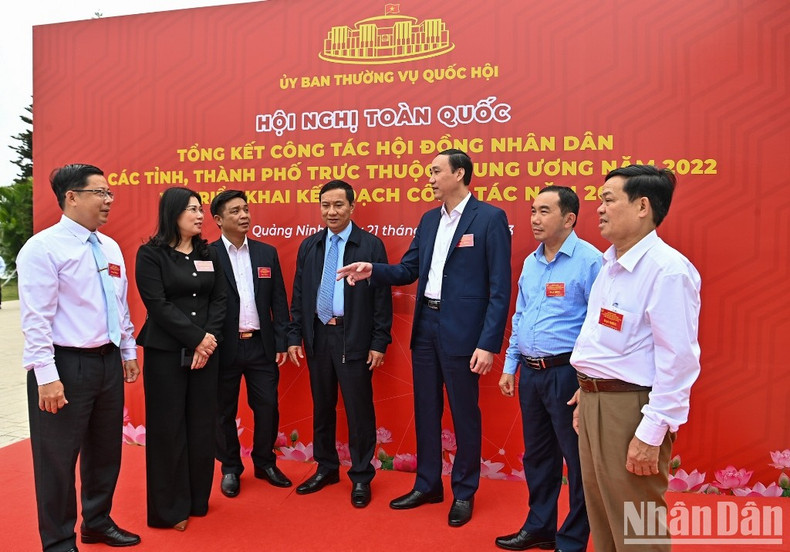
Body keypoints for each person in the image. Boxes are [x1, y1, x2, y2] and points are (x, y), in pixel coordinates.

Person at [338, 149, 512, 527]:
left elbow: (500, 288)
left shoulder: (490, 218)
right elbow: (409, 269)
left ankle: (464, 491)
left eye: (436, 171)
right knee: (426, 410)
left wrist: (488, 343)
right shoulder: (429, 219)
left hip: (465, 334)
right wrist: (374, 270)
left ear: (459, 174)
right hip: (426, 327)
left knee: (465, 414)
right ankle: (428, 483)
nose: (429, 178)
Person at [569, 165, 701, 552]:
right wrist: (587, 392)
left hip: (631, 411)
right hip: (595, 402)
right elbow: (606, 341)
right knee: (604, 517)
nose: (600, 209)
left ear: (643, 206)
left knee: (637, 527)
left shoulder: (667, 270)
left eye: (609, 199)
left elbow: (679, 360)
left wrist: (652, 431)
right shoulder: (610, 264)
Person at [17, 163, 141, 551]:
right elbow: (35, 319)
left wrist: (126, 349)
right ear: (71, 197)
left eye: (109, 194)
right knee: (56, 461)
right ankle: (57, 541)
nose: (108, 201)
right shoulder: (43, 247)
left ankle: (98, 522)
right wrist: (46, 376)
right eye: (100, 193)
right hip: (64, 365)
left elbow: (118, 305)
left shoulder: (109, 246)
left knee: (105, 452)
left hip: (106, 363)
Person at [495, 186, 600, 552]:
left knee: (578, 459)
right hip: (531, 373)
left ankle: (572, 540)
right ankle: (540, 526)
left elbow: (598, 327)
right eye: (532, 210)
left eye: (544, 211)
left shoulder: (590, 261)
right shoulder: (531, 261)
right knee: (538, 455)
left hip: (567, 375)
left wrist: (587, 381)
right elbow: (520, 315)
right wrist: (511, 364)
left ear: (569, 218)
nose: (534, 219)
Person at [287, 180, 392, 508]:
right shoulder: (310, 246)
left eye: (338, 205)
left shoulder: (370, 245)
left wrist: (379, 342)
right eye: (325, 205)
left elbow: (381, 299)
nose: (331, 212)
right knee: (322, 406)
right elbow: (300, 294)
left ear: (351, 207)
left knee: (359, 410)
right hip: (319, 336)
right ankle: (326, 467)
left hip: (354, 337)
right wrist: (294, 336)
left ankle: (361, 476)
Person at [135, 187, 226, 531]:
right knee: (168, 429)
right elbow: (157, 304)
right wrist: (196, 338)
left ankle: (196, 500)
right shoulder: (151, 254)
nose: (200, 215)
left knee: (202, 426)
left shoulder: (209, 253)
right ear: (172, 213)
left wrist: (208, 341)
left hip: (207, 352)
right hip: (166, 354)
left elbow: (220, 300)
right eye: (192, 209)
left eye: (201, 209)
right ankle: (169, 509)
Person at [209, 190, 291, 497]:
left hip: (261, 345)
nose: (244, 216)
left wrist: (283, 339)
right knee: (223, 411)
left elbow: (278, 300)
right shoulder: (207, 255)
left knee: (267, 406)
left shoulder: (266, 253)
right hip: (224, 347)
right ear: (218, 220)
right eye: (235, 211)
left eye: (246, 209)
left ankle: (265, 462)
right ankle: (230, 467)